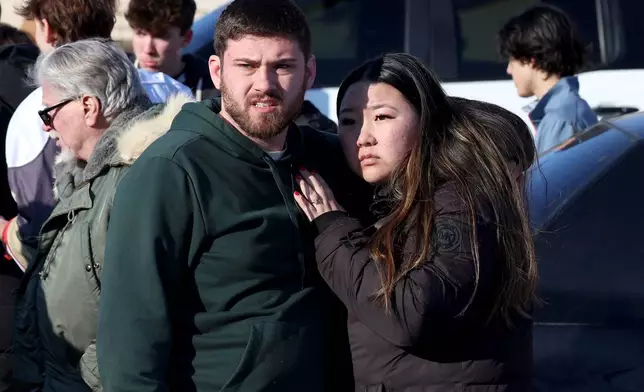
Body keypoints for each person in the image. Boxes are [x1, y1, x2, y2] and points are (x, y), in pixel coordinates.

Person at [97, 0, 368, 391]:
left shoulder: (330, 158)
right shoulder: (172, 170)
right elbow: (130, 338)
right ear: (217, 71)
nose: (265, 84)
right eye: (247, 66)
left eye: (283, 66)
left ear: (309, 72)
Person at [293, 53, 538, 391]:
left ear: (427, 120)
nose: (363, 136)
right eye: (348, 122)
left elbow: (412, 313)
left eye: (382, 116)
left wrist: (334, 228)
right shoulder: (393, 193)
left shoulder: (461, 197)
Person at [10, 38, 192, 392]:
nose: (46, 126)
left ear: (89, 107)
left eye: (49, 112)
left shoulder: (137, 176)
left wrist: (84, 378)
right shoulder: (85, 173)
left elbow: (138, 313)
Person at [1, 0, 192, 273]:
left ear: (47, 28)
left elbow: (39, 241)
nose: (49, 126)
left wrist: (7, 232)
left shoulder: (35, 111)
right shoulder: (172, 91)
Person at [498, 4, 598, 155]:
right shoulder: (566, 109)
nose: (509, 70)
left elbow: (554, 178)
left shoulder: (559, 120)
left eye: (512, 60)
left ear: (532, 60)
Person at [125, 0, 217, 100]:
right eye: (141, 33)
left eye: (160, 36)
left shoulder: (213, 86)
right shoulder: (114, 75)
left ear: (186, 38)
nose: (148, 49)